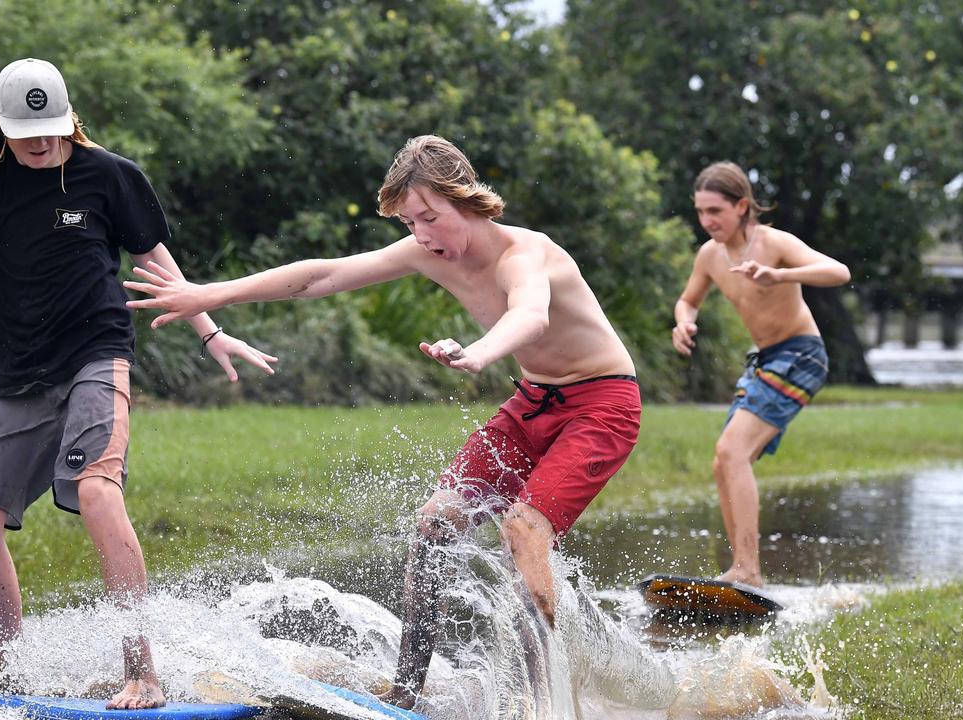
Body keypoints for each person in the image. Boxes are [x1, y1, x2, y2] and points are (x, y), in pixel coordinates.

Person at [123, 134, 642, 710]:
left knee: (522, 529)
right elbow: (320, 276)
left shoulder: (525, 253)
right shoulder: (426, 249)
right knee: (436, 522)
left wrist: (481, 352)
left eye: (429, 217)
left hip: (602, 405)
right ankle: (405, 697)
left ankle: (545, 705)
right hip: (531, 404)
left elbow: (532, 313)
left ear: (465, 200)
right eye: (407, 221)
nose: (420, 234)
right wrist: (206, 294)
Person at [0, 41, 276, 710]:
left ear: (68, 121)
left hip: (94, 354)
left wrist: (210, 328)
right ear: (4, 127)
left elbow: (158, 262)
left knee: (97, 491)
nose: (41, 146)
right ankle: (11, 667)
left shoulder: (109, 176)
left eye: (51, 133)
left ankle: (143, 670)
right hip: (15, 373)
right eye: (26, 135)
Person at [672, 161, 850, 588]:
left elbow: (839, 272)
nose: (707, 221)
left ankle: (748, 571)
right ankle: (744, 571)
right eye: (700, 212)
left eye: (715, 211)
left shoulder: (773, 243)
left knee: (732, 452)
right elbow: (688, 300)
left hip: (802, 355)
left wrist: (779, 274)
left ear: (742, 205)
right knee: (724, 461)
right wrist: (684, 321)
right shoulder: (710, 255)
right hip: (765, 360)